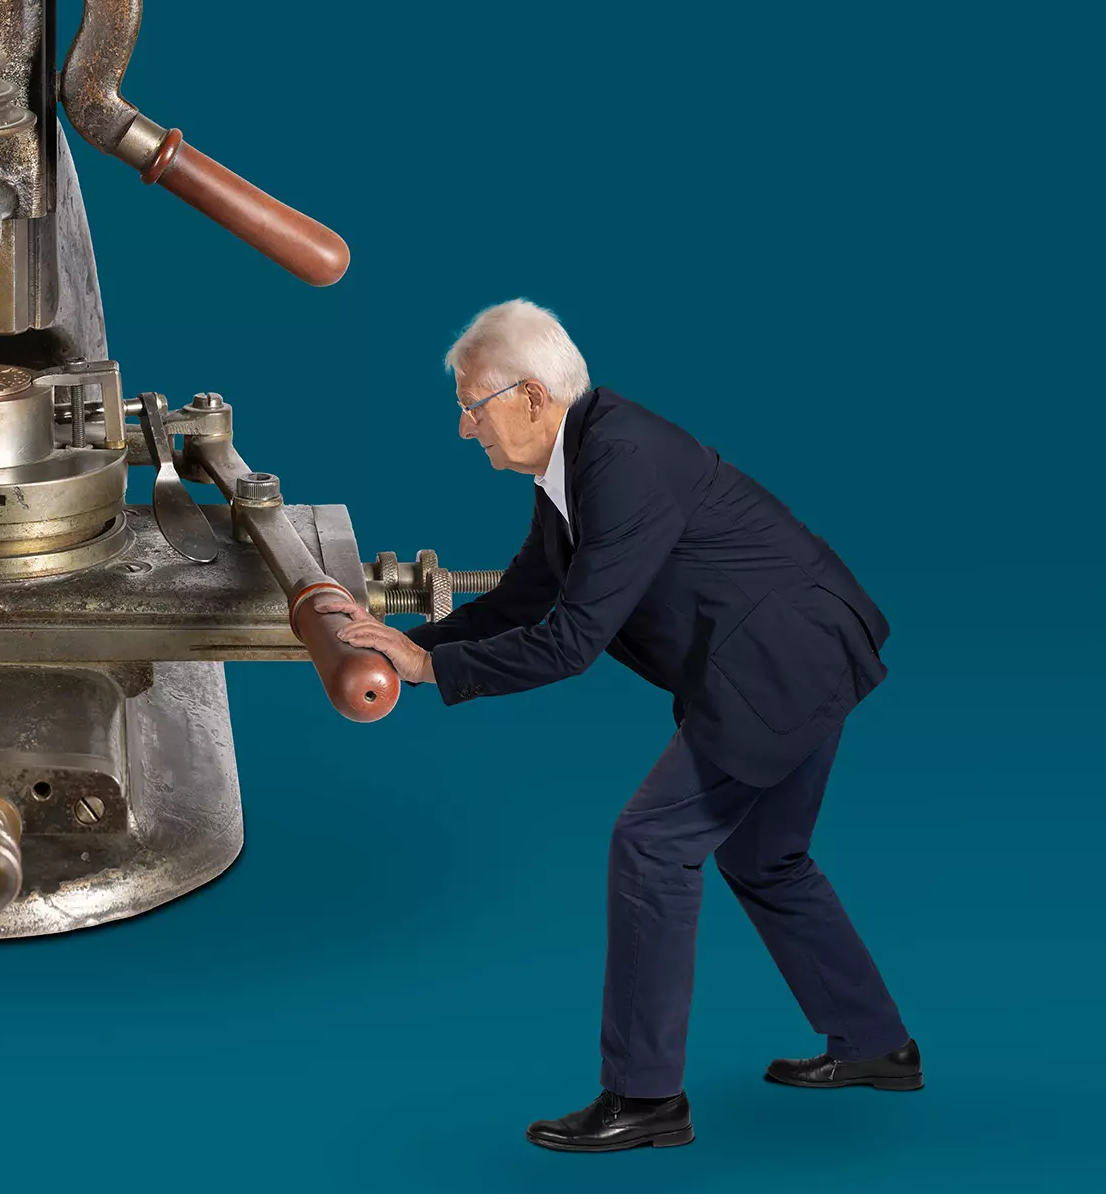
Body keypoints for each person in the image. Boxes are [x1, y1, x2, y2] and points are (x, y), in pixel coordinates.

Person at [321, 299, 918, 1151]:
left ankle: (645, 1098)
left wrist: (430, 671)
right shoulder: (575, 461)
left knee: (651, 846)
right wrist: (408, 644)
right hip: (806, 650)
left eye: (472, 406)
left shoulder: (622, 461)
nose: (463, 428)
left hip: (782, 667)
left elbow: (571, 642)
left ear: (531, 398)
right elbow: (525, 597)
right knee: (766, 857)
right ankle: (875, 1043)